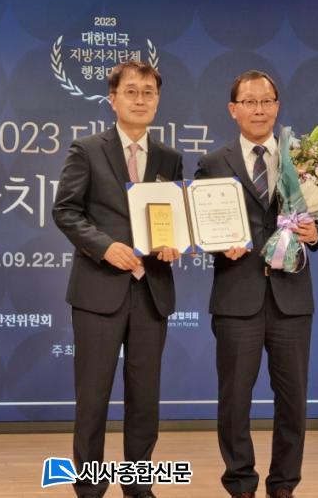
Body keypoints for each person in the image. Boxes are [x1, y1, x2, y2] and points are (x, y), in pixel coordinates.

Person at [195, 70, 318, 498]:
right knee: (234, 399)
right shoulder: (214, 162)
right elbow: (200, 222)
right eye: (250, 102)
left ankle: (284, 484)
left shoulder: (303, 158)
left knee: (292, 401)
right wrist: (218, 245)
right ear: (233, 109)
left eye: (267, 101)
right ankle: (240, 483)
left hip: (291, 297)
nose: (259, 109)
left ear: (277, 106)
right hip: (238, 297)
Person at [52, 60, 183, 498]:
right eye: (131, 91)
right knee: (93, 397)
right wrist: (104, 246)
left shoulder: (169, 158)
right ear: (113, 99)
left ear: (157, 100)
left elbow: (171, 218)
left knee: (145, 399)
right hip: (98, 289)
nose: (140, 99)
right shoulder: (87, 149)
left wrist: (173, 242)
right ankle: (89, 488)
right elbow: (65, 211)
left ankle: (138, 485)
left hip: (152, 292)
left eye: (149, 92)